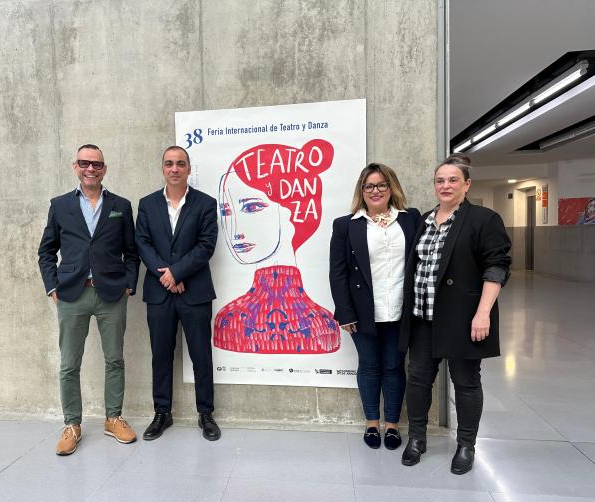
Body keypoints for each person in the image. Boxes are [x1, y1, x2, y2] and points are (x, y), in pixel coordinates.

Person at [399, 154, 511, 474]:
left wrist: (483, 313)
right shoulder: (424, 220)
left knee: (465, 382)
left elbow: (497, 267)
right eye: (440, 180)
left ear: (466, 184)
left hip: (463, 319)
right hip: (423, 317)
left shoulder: (483, 219)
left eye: (452, 180)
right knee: (419, 379)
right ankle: (417, 438)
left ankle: (466, 445)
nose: (445, 186)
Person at [38, 144, 140, 456]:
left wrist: (128, 285)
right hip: (71, 294)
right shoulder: (60, 205)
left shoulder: (120, 205)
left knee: (115, 359)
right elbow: (46, 251)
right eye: (85, 163)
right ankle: (72, 425)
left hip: (111, 294)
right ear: (76, 167)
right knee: (69, 364)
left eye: (96, 164)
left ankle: (113, 418)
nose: (90, 169)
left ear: (104, 169)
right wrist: (52, 287)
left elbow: (131, 253)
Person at [213, 140, 340, 354]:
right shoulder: (229, 322)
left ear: (291, 211)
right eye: (226, 212)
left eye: (252, 207)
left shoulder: (322, 325)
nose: (234, 228)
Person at [329, 163, 421, 450]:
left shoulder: (411, 219)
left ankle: (392, 424)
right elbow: (338, 271)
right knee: (369, 366)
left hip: (400, 308)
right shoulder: (345, 224)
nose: (375, 190)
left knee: (394, 366)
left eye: (382, 184)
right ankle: (372, 422)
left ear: (391, 188)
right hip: (362, 311)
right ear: (362, 191)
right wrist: (343, 312)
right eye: (369, 186)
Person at [135, 145, 221, 441]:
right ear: (163, 168)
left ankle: (206, 414)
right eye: (169, 163)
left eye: (180, 164)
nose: (174, 168)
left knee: (201, 355)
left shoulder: (206, 204)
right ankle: (162, 413)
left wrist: (178, 273)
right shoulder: (147, 204)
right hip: (160, 294)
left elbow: (206, 246)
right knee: (161, 355)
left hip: (194, 293)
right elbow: (143, 244)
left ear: (188, 168)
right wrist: (168, 275)